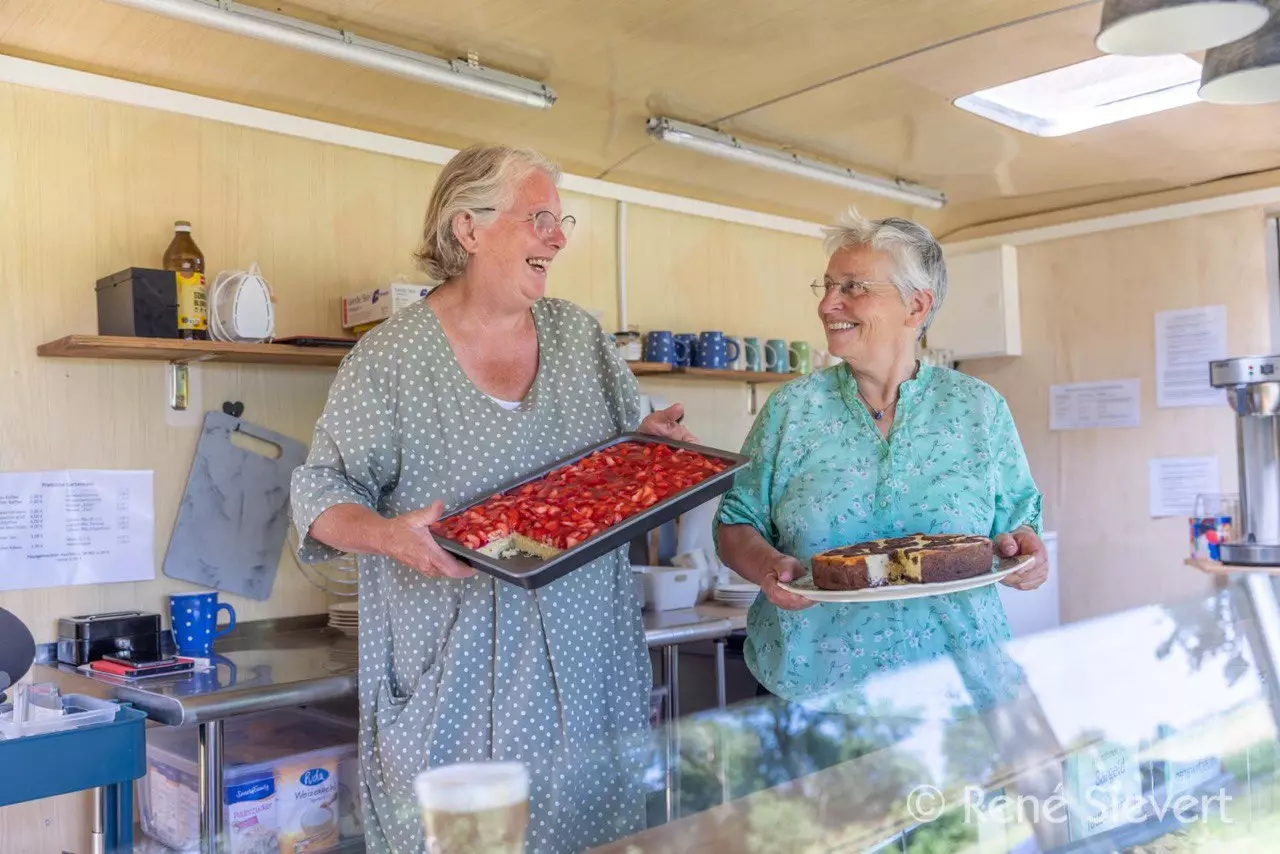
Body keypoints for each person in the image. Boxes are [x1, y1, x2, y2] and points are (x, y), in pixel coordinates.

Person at [290, 145, 692, 853]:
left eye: (560, 220)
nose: (559, 237)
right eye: (539, 218)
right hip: (457, 685)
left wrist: (651, 445)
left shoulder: (581, 339)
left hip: (588, 673)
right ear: (468, 229)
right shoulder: (390, 359)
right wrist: (390, 535)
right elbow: (320, 492)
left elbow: (624, 462)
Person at [715, 208, 1049, 704]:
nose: (829, 304)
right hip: (817, 695)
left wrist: (1026, 555)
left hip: (958, 693)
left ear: (915, 307)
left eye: (852, 287)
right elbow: (734, 523)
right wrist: (767, 565)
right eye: (826, 286)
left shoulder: (978, 408)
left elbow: (1022, 529)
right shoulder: (792, 410)